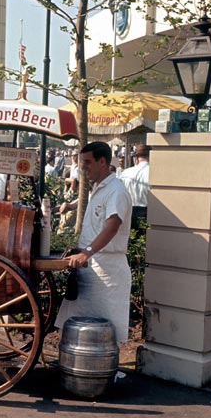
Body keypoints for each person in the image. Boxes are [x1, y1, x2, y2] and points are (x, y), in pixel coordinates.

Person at [55, 141, 133, 343]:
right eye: (82, 162)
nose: (83, 167)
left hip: (108, 270)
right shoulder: (98, 188)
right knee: (76, 325)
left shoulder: (116, 191)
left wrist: (86, 252)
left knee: (104, 332)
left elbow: (112, 226)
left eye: (88, 162)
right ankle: (75, 366)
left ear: (103, 162)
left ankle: (106, 374)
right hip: (90, 267)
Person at [118, 143, 150, 230]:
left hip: (128, 212)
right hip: (147, 212)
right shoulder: (153, 173)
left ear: (136, 158)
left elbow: (118, 193)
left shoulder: (126, 173)